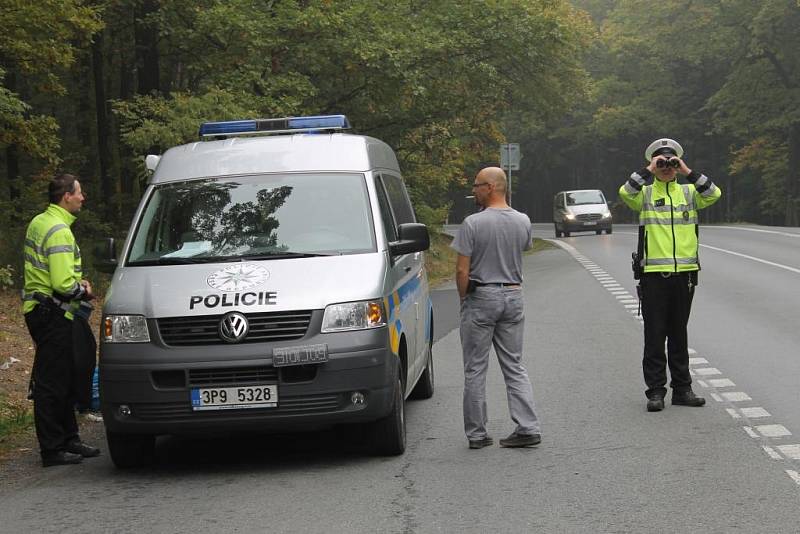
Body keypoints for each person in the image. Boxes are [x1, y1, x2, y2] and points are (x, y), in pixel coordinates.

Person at [619, 138, 722, 412]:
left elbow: (714, 193)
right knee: (655, 335)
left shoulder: (689, 193)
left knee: (679, 333)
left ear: (677, 165)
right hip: (654, 274)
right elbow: (625, 193)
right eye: (661, 162)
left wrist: (688, 171)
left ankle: (682, 389)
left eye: (670, 163)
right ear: (654, 163)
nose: (666, 167)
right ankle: (655, 391)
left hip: (685, 274)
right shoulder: (646, 194)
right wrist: (647, 171)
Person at [452, 166, 542, 449]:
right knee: (514, 365)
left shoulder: (472, 224)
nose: (474, 190)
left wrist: (464, 299)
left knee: (475, 368)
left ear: (490, 187)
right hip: (514, 295)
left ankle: (477, 434)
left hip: (482, 297)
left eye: (477, 185)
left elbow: (461, 271)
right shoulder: (523, 220)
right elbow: (523, 248)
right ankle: (528, 427)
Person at [22, 173, 101, 466]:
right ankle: (52, 449)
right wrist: (84, 289)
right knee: (51, 383)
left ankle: (70, 438)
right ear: (66, 195)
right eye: (79, 192)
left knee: (67, 375)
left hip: (45, 311)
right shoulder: (59, 230)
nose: (83, 197)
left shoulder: (41, 221)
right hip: (52, 312)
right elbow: (62, 284)